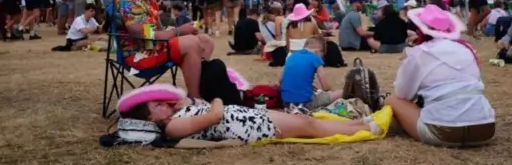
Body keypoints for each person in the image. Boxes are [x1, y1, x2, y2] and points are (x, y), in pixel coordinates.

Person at [384, 5, 496, 147]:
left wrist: (407, 59)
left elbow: (402, 94)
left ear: (420, 30)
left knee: (392, 100)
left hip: (443, 131)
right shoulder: (466, 50)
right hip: (485, 128)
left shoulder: (419, 53)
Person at [120, 90, 384, 144]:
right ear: (152, 117)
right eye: (156, 105)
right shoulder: (173, 128)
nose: (163, 104)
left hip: (245, 119)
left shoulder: (178, 114)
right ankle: (364, 129)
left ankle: (360, 124)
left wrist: (190, 102)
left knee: (309, 121)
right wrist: (216, 98)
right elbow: (214, 116)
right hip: (247, 127)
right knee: (307, 125)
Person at [115, 0, 215, 98]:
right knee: (191, 43)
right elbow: (143, 34)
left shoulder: (150, 0)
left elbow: (159, 30)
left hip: (156, 46)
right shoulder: (128, 1)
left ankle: (201, 92)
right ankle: (196, 101)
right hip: (140, 53)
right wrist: (178, 31)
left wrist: (184, 29)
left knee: (205, 41)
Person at [280, 36, 343, 112]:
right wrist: (331, 90)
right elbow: (325, 87)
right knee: (341, 92)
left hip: (286, 103)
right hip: (306, 104)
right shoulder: (315, 58)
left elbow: (280, 80)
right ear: (318, 51)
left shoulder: (291, 56)